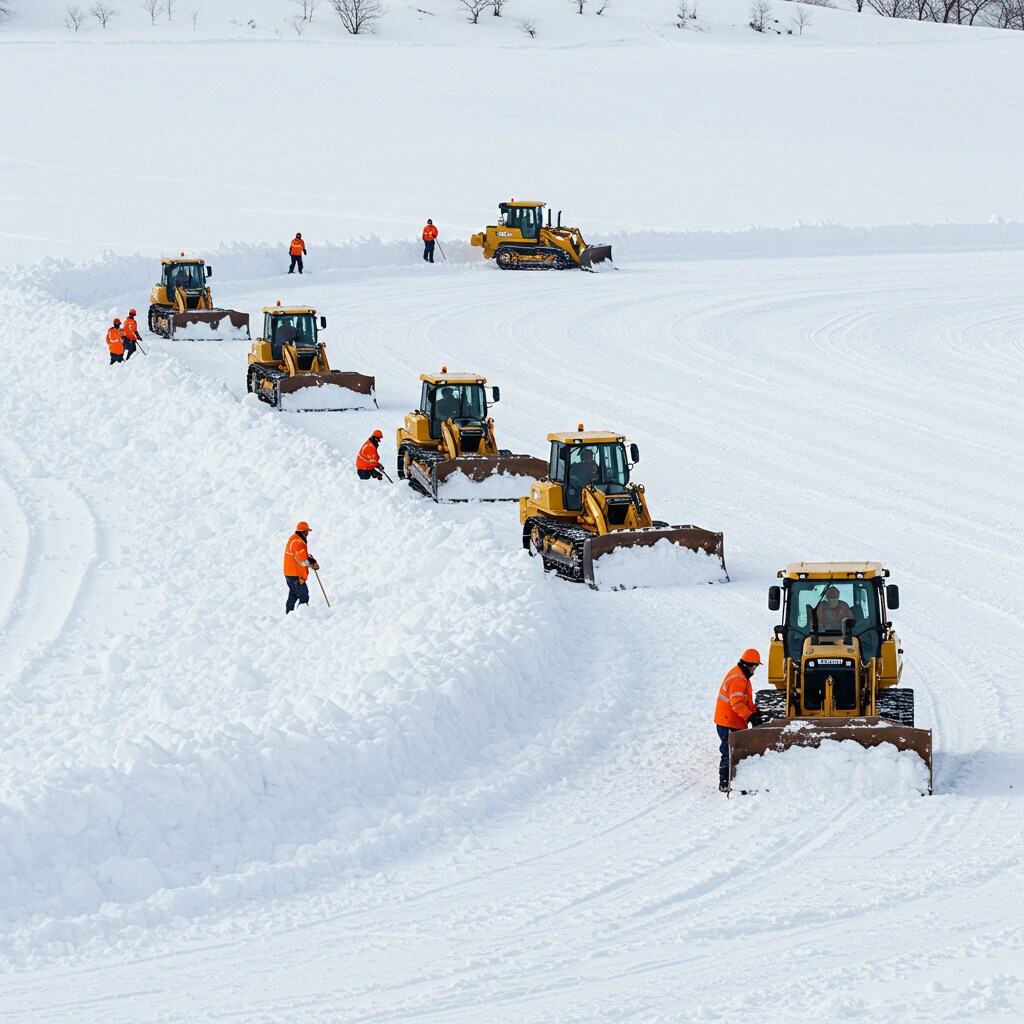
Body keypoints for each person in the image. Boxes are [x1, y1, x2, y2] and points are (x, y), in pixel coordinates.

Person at [713, 648, 765, 792]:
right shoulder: (738, 678)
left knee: (736, 749)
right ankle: (724, 782)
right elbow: (736, 703)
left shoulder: (743, 676)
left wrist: (755, 712)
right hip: (727, 721)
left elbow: (745, 699)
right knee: (728, 750)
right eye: (755, 666)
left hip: (733, 719)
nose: (755, 670)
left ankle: (735, 778)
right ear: (750, 665)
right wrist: (750, 716)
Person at [283, 520, 318, 614]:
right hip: (296, 575)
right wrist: (310, 562)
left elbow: (298, 557)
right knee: (304, 595)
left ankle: (289, 615)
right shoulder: (297, 542)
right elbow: (302, 558)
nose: (307, 535)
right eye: (306, 533)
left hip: (290, 574)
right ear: (302, 532)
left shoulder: (294, 539)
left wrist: (310, 560)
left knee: (293, 595)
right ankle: (302, 615)